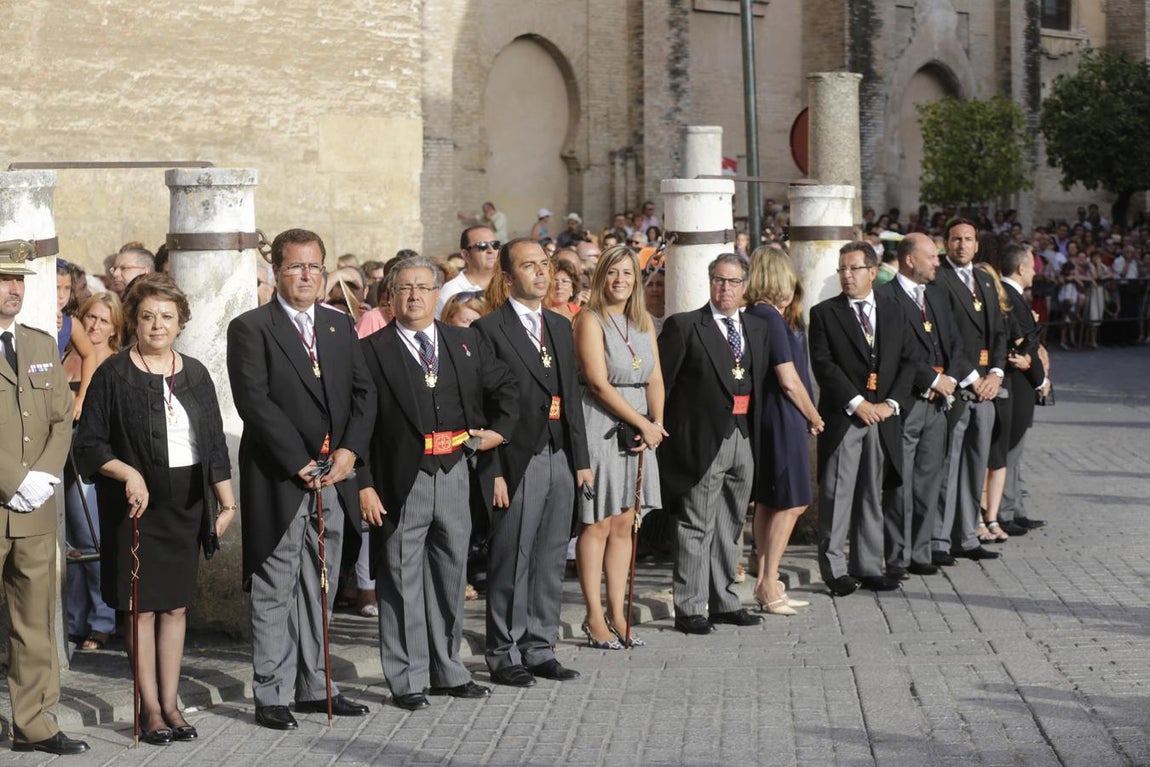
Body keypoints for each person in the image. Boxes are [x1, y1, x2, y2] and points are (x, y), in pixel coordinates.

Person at [74, 273, 235, 745]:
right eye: (147, 316)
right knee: (140, 609)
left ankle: (171, 703)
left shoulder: (197, 373)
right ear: (135, 322)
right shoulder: (114, 374)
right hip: (137, 505)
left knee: (176, 607)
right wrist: (128, 473)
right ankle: (147, 710)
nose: (157, 325)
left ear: (180, 322)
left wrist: (226, 499)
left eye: (167, 317)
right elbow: (90, 444)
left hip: (187, 501)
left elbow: (212, 442)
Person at [227, 228, 377, 731]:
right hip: (281, 477)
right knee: (276, 585)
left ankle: (316, 685)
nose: (306, 276)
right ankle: (271, 691)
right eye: (295, 266)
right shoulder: (252, 328)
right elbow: (255, 402)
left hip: (336, 475)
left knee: (321, 583)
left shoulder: (338, 325)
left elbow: (363, 394)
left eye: (314, 266)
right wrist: (298, 462)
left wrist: (350, 452)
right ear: (276, 271)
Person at [358, 255, 517, 710]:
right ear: (390, 297)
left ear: (436, 293)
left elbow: (508, 389)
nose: (414, 296)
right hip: (400, 480)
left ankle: (448, 669)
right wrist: (364, 482)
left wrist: (498, 433)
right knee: (401, 580)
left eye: (423, 288)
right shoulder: (371, 350)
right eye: (404, 288)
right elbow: (358, 423)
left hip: (454, 473)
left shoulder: (464, 342)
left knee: (451, 573)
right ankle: (406, 678)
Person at [473, 238, 593, 687]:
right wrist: (495, 471)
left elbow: (571, 399)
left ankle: (539, 646)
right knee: (512, 556)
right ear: (507, 277)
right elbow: (483, 409)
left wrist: (580, 459)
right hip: (514, 458)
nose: (542, 274)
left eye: (544, 265)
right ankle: (503, 652)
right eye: (529, 266)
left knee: (548, 555)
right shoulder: (488, 330)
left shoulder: (561, 326)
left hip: (559, 452)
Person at [0, 245, 90, 756]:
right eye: (3, 279)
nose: (14, 288)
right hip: (5, 497)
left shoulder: (36, 343)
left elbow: (61, 417)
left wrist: (45, 474)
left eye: (19, 280)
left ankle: (33, 723)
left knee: (34, 622)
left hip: (35, 507)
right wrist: (15, 479)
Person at [659, 253, 768, 633]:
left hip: (743, 436)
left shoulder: (756, 328)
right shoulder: (686, 326)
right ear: (710, 283)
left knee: (731, 523)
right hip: (703, 439)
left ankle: (723, 600)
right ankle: (690, 607)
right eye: (720, 280)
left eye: (734, 282)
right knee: (696, 523)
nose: (726, 288)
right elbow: (664, 385)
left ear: (745, 287)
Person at [809, 241, 917, 596]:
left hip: (883, 416)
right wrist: (857, 402)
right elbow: (824, 365)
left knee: (873, 491)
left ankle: (869, 565)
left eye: (854, 269)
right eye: (842, 269)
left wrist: (892, 404)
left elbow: (907, 360)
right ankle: (835, 568)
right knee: (838, 493)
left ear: (873, 271)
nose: (846, 275)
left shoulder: (894, 309)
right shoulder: (825, 313)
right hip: (846, 416)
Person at [572, 245, 666, 648]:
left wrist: (656, 423)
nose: (620, 281)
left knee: (627, 521)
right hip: (603, 424)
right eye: (613, 273)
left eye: (627, 273)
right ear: (600, 277)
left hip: (642, 427)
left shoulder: (643, 320)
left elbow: (655, 378)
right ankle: (593, 614)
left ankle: (618, 611)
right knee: (599, 521)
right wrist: (642, 422)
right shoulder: (589, 320)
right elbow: (597, 381)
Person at [875, 233, 970, 578]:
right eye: (931, 257)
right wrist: (930, 380)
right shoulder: (886, 297)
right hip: (908, 401)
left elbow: (958, 346)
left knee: (930, 478)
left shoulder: (938, 295)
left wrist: (950, 382)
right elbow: (897, 351)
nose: (937, 263)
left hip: (940, 403)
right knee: (901, 481)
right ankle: (897, 556)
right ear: (910, 260)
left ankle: (921, 550)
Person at [743, 247, 824, 615]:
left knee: (770, 499)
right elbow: (788, 378)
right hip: (783, 414)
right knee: (794, 500)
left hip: (770, 415)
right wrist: (813, 413)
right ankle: (768, 581)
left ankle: (767, 577)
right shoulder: (770, 317)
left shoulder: (756, 314)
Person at [933, 219, 1006, 564]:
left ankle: (967, 535)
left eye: (968, 239)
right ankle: (940, 540)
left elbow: (1000, 333)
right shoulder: (939, 280)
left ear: (977, 245)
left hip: (988, 389)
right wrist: (972, 377)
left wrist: (995, 373)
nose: (961, 245)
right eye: (955, 239)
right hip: (959, 388)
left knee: (976, 465)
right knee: (949, 466)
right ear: (946, 243)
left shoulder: (986, 281)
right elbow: (947, 336)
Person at [64, 293, 123, 652]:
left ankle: (103, 619)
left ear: (115, 327)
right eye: (90, 318)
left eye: (104, 320)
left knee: (89, 541)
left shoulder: (115, 364)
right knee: (68, 546)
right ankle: (74, 618)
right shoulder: (67, 355)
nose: (95, 326)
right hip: (58, 454)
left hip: (88, 458)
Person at [996, 243, 1049, 534]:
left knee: (1016, 452)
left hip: (1023, 385)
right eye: (1032, 265)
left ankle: (1015, 508)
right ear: (1020, 268)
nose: (1035, 271)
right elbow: (1021, 348)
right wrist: (1041, 379)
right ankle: (1004, 512)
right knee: (1010, 451)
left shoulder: (1015, 297)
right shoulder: (1010, 298)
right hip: (1018, 384)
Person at [56, 261, 96, 419]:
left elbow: (89, 354)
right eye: (56, 288)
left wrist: (82, 396)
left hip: (56, 401)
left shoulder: (70, 323)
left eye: (66, 288)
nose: (61, 295)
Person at [437, 226, 500, 316]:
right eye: (482, 246)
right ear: (466, 254)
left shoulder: (510, 284)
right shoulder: (451, 290)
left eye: (495, 245)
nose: (491, 250)